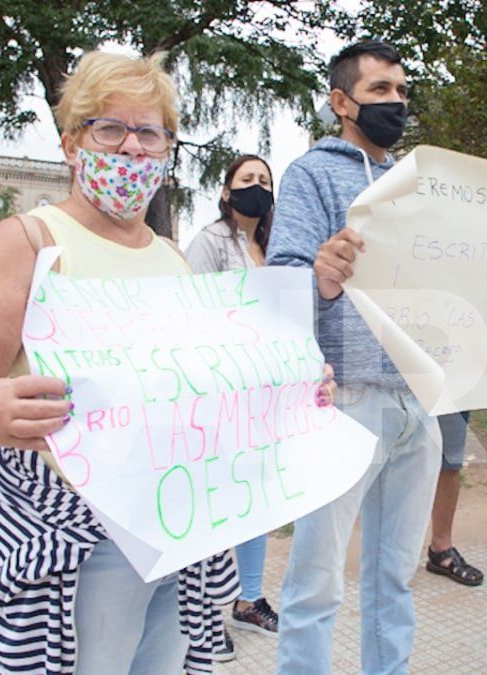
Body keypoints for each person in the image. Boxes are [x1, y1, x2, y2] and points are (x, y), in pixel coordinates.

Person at [266, 39, 487, 673]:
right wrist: (320, 275)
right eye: (380, 90)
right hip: (344, 402)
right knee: (317, 583)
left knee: (395, 577)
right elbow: (281, 281)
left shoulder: (424, 186)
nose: (396, 102)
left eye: (403, 91)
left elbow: (474, 274)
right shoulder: (311, 175)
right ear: (340, 101)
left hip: (421, 401)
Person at [0, 50, 191, 674]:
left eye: (150, 132)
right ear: (72, 145)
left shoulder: (172, 258)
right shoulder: (31, 241)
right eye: (110, 128)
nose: (132, 149)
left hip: (176, 524)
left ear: (168, 148)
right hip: (74, 544)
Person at [180, 155, 280, 668]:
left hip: (264, 394)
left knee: (257, 499)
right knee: (216, 502)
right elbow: (187, 313)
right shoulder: (209, 242)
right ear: (226, 193)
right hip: (218, 394)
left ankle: (249, 598)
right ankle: (204, 617)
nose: (257, 188)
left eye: (265, 180)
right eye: (247, 180)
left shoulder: (274, 246)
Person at [426, 411, 485, 584]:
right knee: (390, 467)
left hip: (449, 390)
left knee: (450, 461)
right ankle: (389, 553)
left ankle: (441, 548)